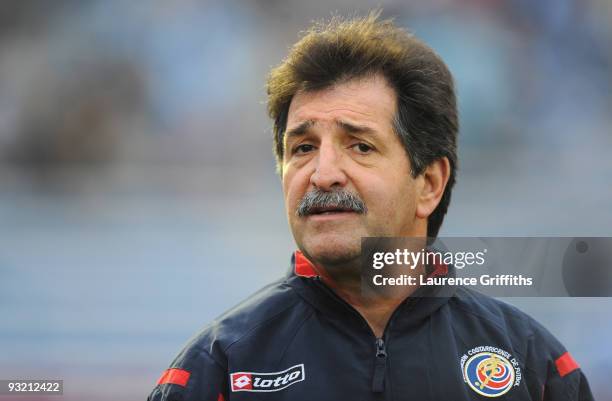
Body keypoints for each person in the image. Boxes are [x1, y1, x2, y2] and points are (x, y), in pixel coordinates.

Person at [147, 12, 594, 401]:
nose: (323, 174)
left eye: (359, 146)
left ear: (430, 184)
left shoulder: (535, 366)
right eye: (302, 148)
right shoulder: (216, 368)